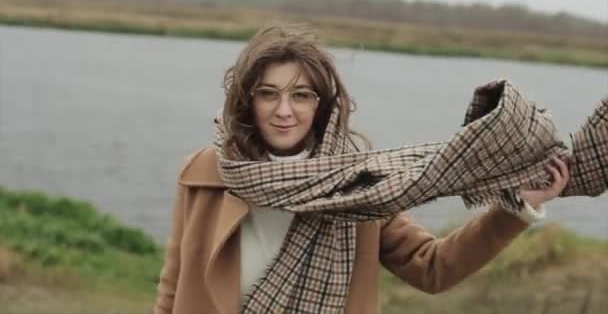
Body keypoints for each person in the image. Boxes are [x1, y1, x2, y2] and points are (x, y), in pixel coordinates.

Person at [153, 25, 571, 314]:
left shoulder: (359, 183)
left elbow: (432, 267)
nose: (284, 111)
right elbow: (173, 286)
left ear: (321, 106)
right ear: (248, 100)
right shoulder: (208, 171)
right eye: (268, 94)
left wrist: (517, 208)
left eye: (301, 95)